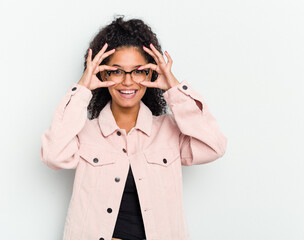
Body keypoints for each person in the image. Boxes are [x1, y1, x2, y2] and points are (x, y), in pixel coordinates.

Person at [40, 15, 227, 240]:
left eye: (138, 70)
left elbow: (214, 146)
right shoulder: (85, 133)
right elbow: (53, 156)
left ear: (150, 73)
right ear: (102, 73)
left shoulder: (169, 131)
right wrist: (82, 90)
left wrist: (174, 88)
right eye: (116, 71)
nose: (127, 81)